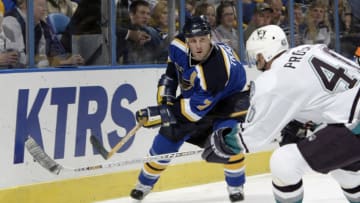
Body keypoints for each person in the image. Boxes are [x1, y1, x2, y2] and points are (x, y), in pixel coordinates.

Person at [130, 15, 249, 202]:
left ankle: (236, 186)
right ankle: (143, 184)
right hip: (198, 95)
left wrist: (160, 114)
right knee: (166, 138)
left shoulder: (215, 72)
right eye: (193, 41)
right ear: (186, 40)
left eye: (202, 39)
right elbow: (171, 72)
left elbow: (192, 112)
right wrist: (166, 98)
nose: (199, 46)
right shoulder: (178, 45)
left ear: (210, 38)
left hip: (227, 100)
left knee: (227, 140)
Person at [237, 24, 360, 203]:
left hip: (354, 121)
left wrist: (225, 141)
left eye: (256, 57)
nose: (257, 63)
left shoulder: (275, 77)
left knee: (283, 162)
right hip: (353, 118)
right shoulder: (307, 49)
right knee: (345, 171)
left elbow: (253, 137)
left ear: (263, 55)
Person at [2, 0, 84, 67]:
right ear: (25, 5)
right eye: (40, 5)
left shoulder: (41, 25)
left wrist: (69, 60)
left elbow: (44, 57)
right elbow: (16, 60)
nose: (44, 9)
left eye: (45, 6)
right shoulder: (11, 20)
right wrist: (62, 62)